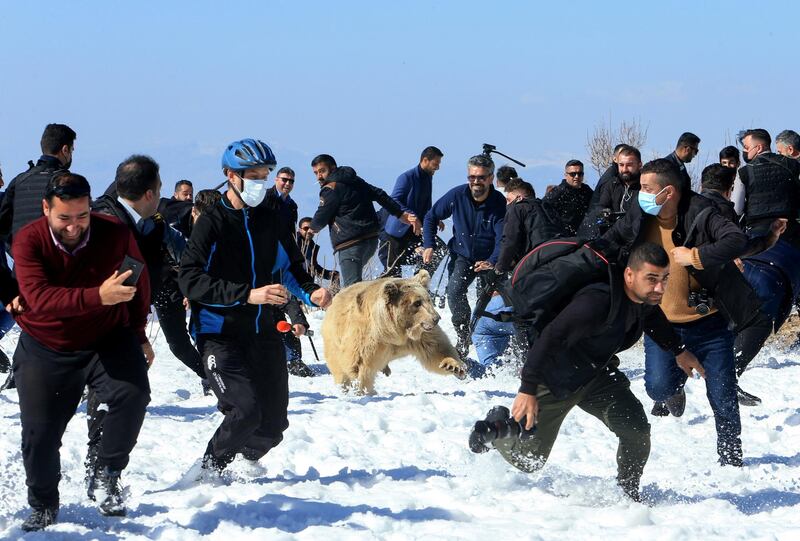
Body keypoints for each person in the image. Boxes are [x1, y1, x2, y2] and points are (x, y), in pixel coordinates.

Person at [474, 243, 695, 501]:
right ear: (629, 275)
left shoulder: (642, 299)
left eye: (664, 279)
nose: (660, 287)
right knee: (529, 460)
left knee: (636, 430)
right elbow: (551, 337)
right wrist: (528, 389)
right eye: (652, 279)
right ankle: (498, 428)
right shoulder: (595, 302)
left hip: (597, 375)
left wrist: (679, 351)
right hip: (557, 379)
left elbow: (653, 318)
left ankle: (628, 491)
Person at [179, 138, 332, 476]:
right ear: (230, 175)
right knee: (245, 411)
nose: (259, 183)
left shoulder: (272, 218)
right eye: (252, 176)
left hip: (263, 331)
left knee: (273, 426)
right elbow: (190, 280)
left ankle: (245, 462)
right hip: (219, 332)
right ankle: (207, 471)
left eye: (264, 176)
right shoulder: (212, 221)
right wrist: (247, 294)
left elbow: (291, 268)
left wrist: (311, 293)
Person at [11, 172, 152, 530]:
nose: (74, 227)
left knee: (133, 394)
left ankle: (106, 473)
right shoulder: (28, 240)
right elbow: (38, 299)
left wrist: (138, 334)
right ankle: (43, 504)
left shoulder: (116, 234)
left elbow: (136, 281)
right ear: (46, 209)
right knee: (40, 434)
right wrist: (96, 296)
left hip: (106, 336)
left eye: (82, 216)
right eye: (64, 218)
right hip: (47, 343)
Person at [602, 158, 756, 466]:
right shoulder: (640, 216)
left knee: (722, 394)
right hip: (662, 326)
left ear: (668, 192)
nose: (640, 193)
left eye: (646, 188)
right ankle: (674, 390)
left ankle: (731, 457)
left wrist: (697, 256)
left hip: (709, 323)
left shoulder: (701, 212)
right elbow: (608, 244)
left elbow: (736, 240)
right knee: (657, 388)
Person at [90, 156, 208, 481]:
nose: (162, 193)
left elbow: (188, 253)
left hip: (129, 322)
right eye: (158, 187)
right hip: (94, 323)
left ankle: (104, 471)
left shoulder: (153, 223)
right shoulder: (102, 221)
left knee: (132, 394)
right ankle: (86, 476)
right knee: (116, 393)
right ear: (148, 193)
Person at [733, 129, 800, 404]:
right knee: (766, 311)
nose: (745, 154)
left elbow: (735, 210)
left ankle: (727, 367)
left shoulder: (745, 173)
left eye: (747, 148)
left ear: (758, 148)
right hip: (791, 247)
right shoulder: (795, 168)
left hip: (755, 245)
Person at [422, 154, 506, 358]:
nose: (476, 182)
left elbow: (503, 238)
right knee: (454, 292)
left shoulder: (498, 202)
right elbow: (431, 217)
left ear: (490, 178)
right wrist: (429, 244)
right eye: (472, 177)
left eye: (481, 177)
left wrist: (492, 262)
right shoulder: (457, 195)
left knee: (485, 301)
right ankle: (463, 335)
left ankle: (484, 337)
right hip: (462, 255)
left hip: (488, 259)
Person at [309, 154, 414, 287]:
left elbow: (321, 216)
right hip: (370, 240)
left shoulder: (331, 188)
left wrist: (311, 229)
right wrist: (399, 213)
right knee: (357, 286)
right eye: (316, 173)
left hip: (349, 243)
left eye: (322, 171)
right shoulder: (355, 180)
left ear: (332, 168)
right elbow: (379, 194)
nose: (319, 176)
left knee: (351, 291)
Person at [0, 123, 76, 246]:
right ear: (65, 150)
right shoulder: (67, 182)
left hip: (23, 262)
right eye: (71, 151)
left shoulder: (18, 181)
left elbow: (3, 226)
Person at [383, 146, 446, 278]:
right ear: (425, 160)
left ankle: (419, 280)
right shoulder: (407, 177)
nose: (438, 168)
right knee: (393, 273)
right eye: (435, 164)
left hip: (416, 230)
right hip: (397, 232)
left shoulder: (428, 177)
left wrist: (434, 218)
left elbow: (425, 205)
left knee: (439, 249)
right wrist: (412, 216)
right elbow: (394, 200)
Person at [579, 146, 642, 238]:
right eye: (621, 165)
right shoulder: (612, 183)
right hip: (612, 235)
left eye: (629, 165)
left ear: (639, 165)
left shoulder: (645, 185)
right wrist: (604, 212)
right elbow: (601, 206)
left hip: (636, 235)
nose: (624, 169)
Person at [542, 159, 594, 235]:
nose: (576, 177)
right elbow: (543, 208)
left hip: (584, 235)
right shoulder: (558, 192)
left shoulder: (586, 190)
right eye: (573, 174)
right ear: (566, 175)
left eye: (580, 174)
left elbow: (597, 205)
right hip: (563, 237)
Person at [297, 217, 338, 282]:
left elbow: (314, 268)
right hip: (291, 282)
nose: (309, 231)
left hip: (307, 283)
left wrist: (329, 274)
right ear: (299, 230)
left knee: (335, 275)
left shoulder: (312, 246)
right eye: (306, 228)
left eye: (312, 229)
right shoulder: (293, 241)